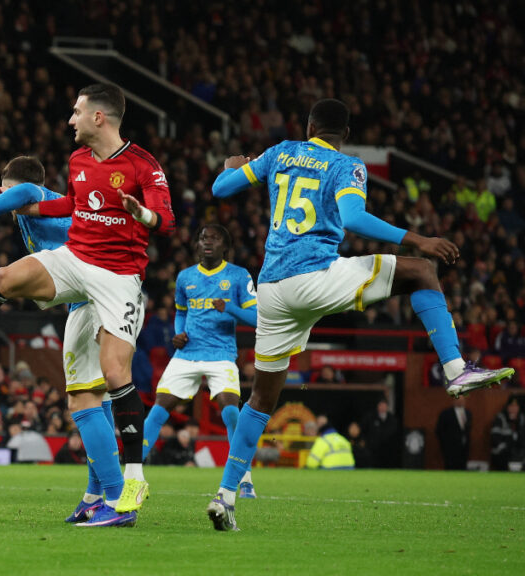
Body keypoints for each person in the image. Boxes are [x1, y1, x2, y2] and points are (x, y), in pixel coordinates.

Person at [204, 98, 514, 531]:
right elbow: (352, 217)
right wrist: (418, 239)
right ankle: (456, 368)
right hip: (315, 277)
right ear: (345, 135)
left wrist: (231, 167)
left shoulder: (278, 152)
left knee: (260, 400)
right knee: (422, 271)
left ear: (309, 125)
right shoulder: (346, 166)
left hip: (272, 289)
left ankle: (225, 497)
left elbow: (221, 190)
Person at [0, 83, 176, 525]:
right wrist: (30, 214)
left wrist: (141, 214)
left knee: (112, 375)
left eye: (76, 111)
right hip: (76, 261)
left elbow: (165, 218)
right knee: (3, 278)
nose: (69, 119)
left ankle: (130, 481)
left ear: (99, 117)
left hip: (117, 277)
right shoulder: (78, 161)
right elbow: (73, 203)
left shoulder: (142, 164)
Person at [0, 155, 120, 524]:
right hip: (94, 297)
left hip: (95, 297)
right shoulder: (32, 214)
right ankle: (95, 495)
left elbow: (22, 190)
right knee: (95, 397)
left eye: (3, 191)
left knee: (83, 400)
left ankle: (117, 500)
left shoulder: (36, 195)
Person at [141, 224, 258, 496]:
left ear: (225, 247)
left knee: (230, 413)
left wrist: (228, 307)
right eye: (203, 237)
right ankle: (131, 468)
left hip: (221, 354)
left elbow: (256, 318)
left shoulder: (238, 276)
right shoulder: (185, 278)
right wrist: (180, 332)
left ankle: (245, 478)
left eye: (215, 238)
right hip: (188, 354)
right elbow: (181, 312)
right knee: (158, 410)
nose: (207, 242)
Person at [436, 397, 472, 470]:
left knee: (462, 467)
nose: (460, 402)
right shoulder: (446, 414)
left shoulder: (468, 413)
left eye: (462, 400)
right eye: (458, 400)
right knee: (450, 467)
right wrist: (445, 444)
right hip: (450, 448)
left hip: (463, 448)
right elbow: (439, 430)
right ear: (454, 400)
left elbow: (467, 430)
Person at [490, 397, 525, 471]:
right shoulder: (500, 418)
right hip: (503, 452)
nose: (513, 408)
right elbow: (495, 438)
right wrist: (505, 447)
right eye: (511, 406)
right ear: (507, 407)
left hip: (519, 452)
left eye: (516, 406)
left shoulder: (522, 419)